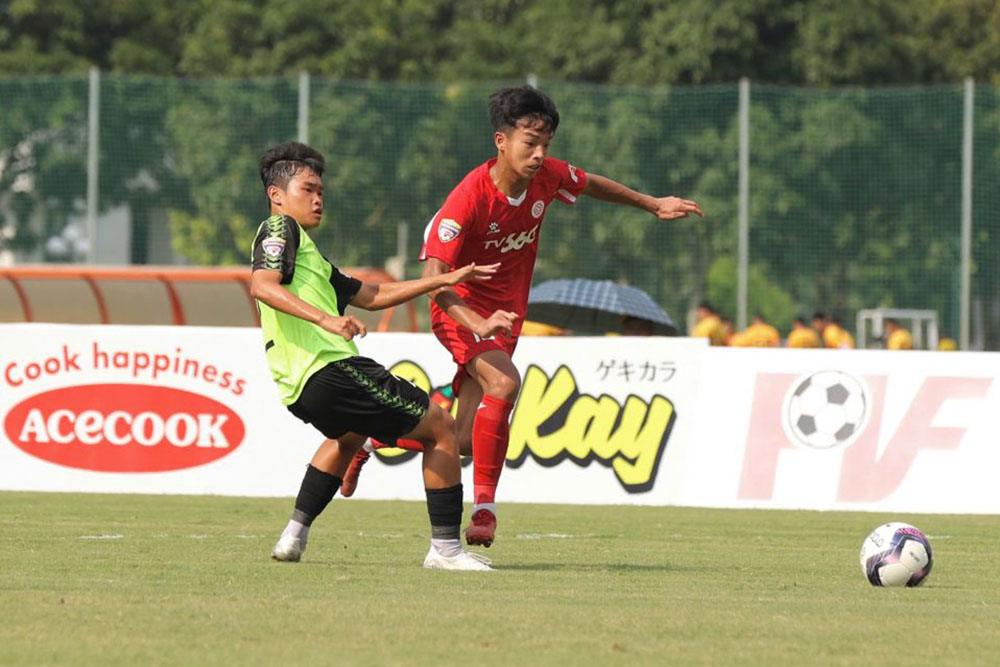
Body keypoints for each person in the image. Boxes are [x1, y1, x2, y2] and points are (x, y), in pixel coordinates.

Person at [346, 86, 702, 547]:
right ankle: (485, 512)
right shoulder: (466, 202)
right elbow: (434, 281)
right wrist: (474, 322)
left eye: (545, 146)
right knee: (505, 384)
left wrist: (652, 203)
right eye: (529, 143)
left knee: (464, 439)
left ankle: (371, 438)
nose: (539, 155)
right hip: (460, 311)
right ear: (501, 140)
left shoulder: (547, 178)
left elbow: (590, 182)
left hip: (503, 319)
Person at [250, 141, 498, 570]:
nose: (317, 198)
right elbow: (262, 286)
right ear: (277, 195)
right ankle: (446, 551)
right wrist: (327, 321)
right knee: (440, 428)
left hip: (300, 387)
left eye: (321, 191)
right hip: (328, 366)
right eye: (308, 189)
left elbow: (375, 294)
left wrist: (444, 279)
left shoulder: (312, 258)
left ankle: (293, 536)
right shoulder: (278, 230)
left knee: (347, 437)